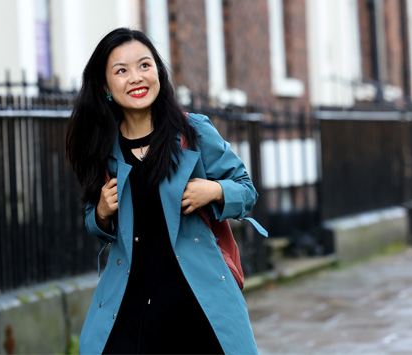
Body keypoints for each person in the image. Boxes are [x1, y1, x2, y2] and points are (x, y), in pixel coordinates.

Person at [66, 27, 266, 354]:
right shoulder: (103, 149)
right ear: (105, 86)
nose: (136, 77)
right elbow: (96, 225)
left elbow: (246, 190)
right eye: (121, 70)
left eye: (145, 65)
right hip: (130, 310)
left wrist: (214, 191)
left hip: (197, 305)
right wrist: (101, 212)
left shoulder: (193, 131)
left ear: (158, 71)